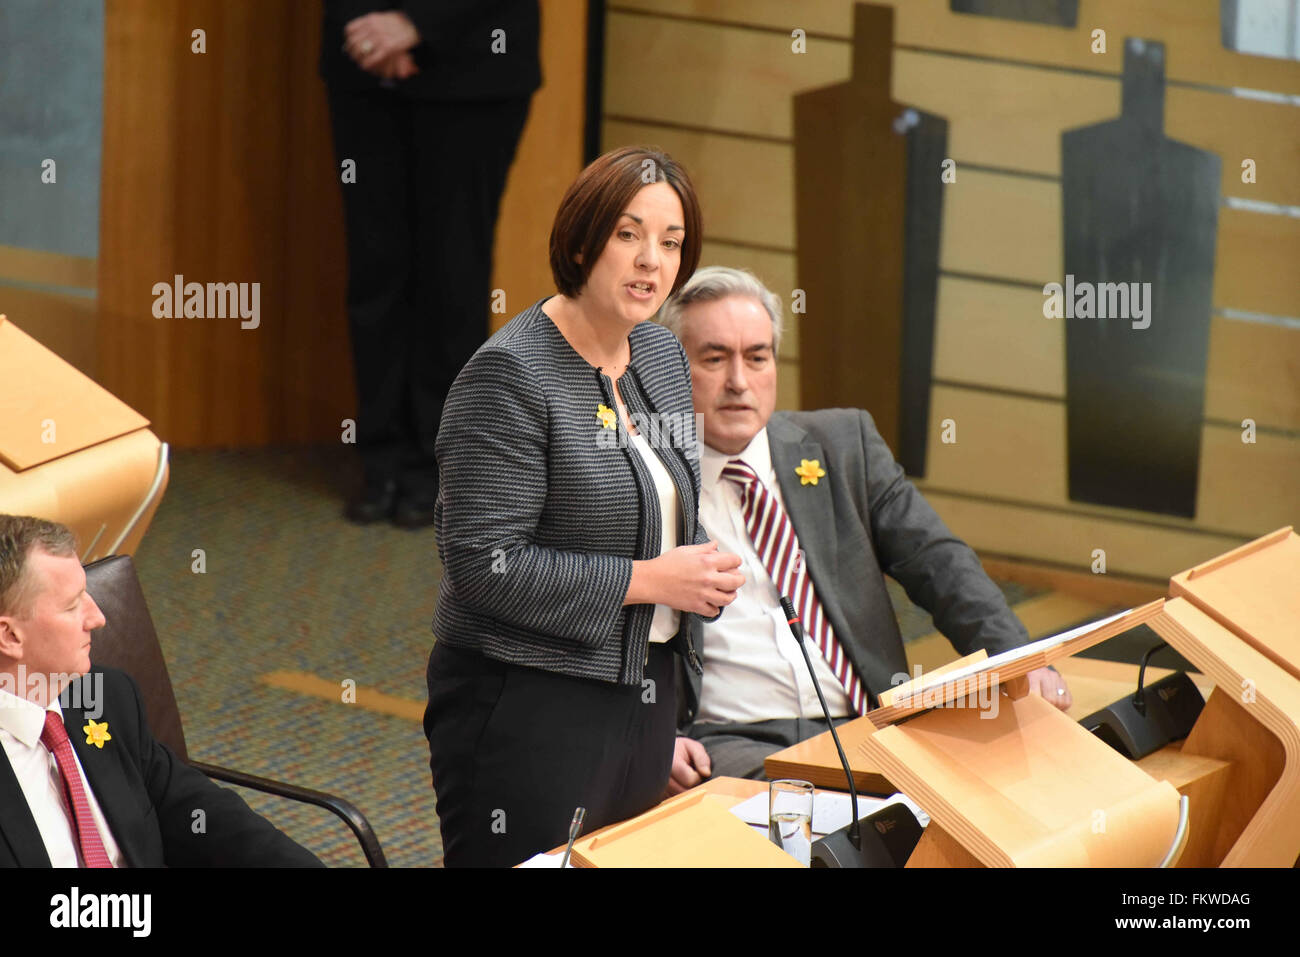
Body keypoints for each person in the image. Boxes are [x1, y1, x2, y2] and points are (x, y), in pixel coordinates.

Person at [422, 148, 745, 867]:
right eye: (628, 235)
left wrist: (699, 577)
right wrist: (652, 580)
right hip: (526, 699)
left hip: (645, 690)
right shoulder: (509, 374)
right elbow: (483, 564)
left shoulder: (660, 356)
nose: (650, 262)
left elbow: (666, 507)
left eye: (670, 242)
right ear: (578, 242)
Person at [655, 267, 1073, 793]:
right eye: (714, 359)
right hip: (729, 740)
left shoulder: (841, 443)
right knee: (869, 806)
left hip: (867, 720)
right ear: (670, 368)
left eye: (757, 357)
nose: (739, 381)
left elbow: (939, 563)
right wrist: (655, 741)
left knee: (1020, 773)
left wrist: (1018, 662)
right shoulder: (646, 482)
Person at [320, 2, 540, 527]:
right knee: (375, 274)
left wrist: (417, 25)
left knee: (454, 279)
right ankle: (381, 461)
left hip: (476, 62)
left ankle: (439, 467)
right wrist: (371, 27)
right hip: (363, 67)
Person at [0, 515, 322, 867]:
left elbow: (191, 807)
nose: (97, 617)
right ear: (10, 636)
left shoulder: (106, 698)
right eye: (73, 604)